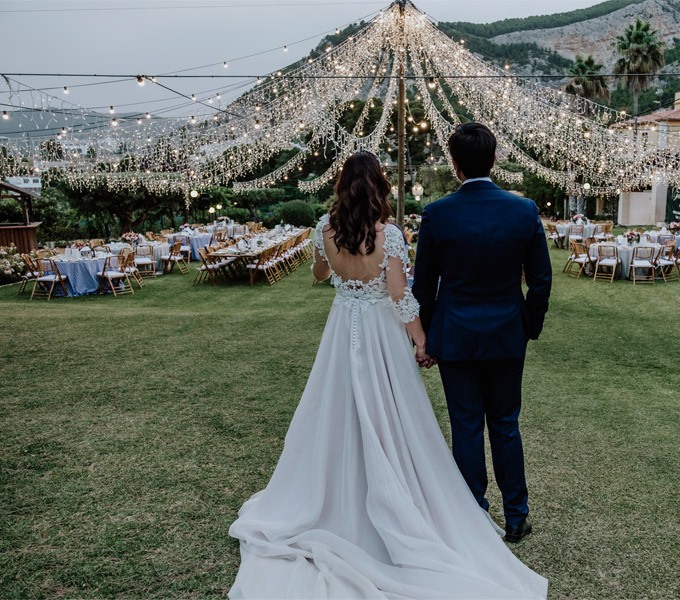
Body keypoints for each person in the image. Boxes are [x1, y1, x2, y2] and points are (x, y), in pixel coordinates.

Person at [228, 151, 547, 599]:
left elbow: (320, 274)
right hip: (381, 332)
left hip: (343, 331)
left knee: (339, 406)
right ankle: (474, 506)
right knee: (402, 414)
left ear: (341, 187)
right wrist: (420, 340)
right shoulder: (389, 235)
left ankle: (340, 491)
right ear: (379, 186)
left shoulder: (324, 229)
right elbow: (400, 296)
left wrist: (331, 263)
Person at [411, 123, 552, 544]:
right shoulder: (524, 210)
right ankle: (516, 516)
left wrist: (429, 338)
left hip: (455, 336)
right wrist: (529, 323)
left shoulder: (438, 213)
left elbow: (423, 285)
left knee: (467, 427)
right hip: (508, 333)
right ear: (494, 159)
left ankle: (472, 514)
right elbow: (541, 280)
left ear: (455, 165)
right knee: (506, 424)